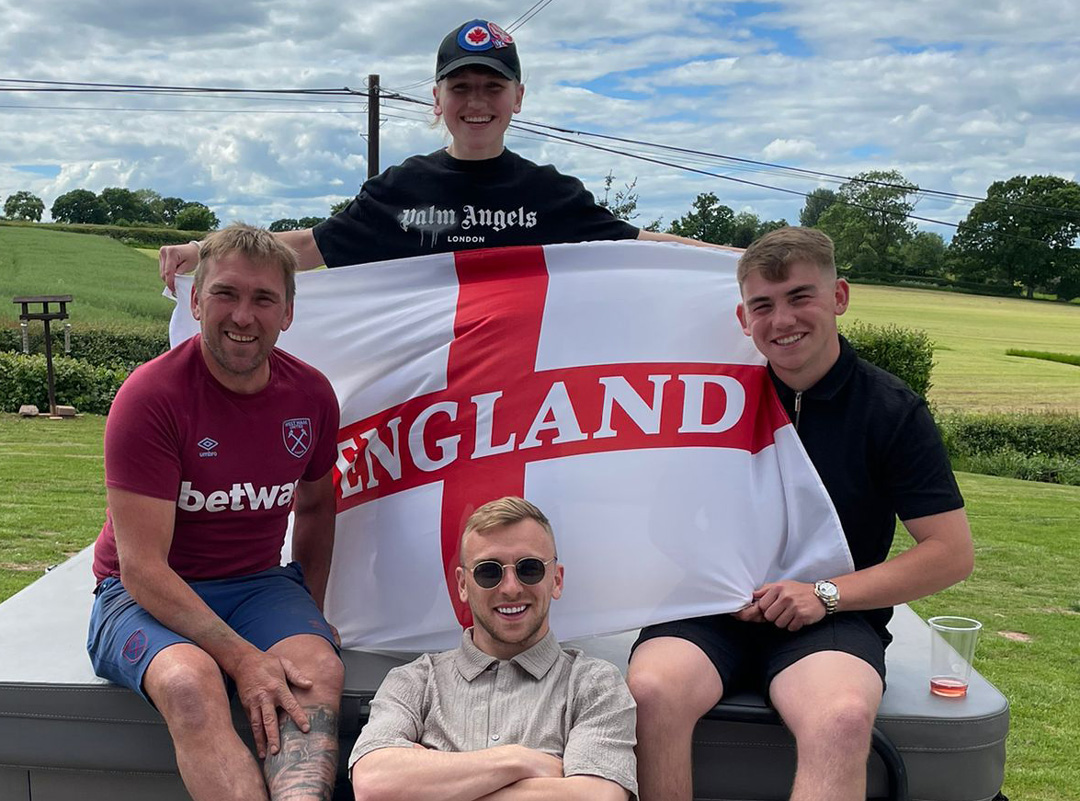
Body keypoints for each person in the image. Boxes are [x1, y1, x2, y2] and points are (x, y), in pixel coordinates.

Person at [627, 227, 975, 801]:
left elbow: (950, 553)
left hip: (834, 616)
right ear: (744, 319)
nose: (782, 319)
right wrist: (720, 574)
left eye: (799, 297)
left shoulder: (891, 410)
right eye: (762, 305)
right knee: (650, 693)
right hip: (715, 604)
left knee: (840, 717)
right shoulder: (711, 401)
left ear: (838, 297)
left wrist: (825, 594)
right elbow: (664, 523)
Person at [160, 18, 715, 292]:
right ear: (436, 99)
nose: (476, 102)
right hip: (424, 402)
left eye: (493, 87)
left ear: (518, 98)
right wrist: (201, 250)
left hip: (522, 397)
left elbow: (642, 248)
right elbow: (308, 248)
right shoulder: (400, 190)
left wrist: (739, 259)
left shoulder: (550, 194)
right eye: (460, 87)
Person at [86, 224, 344, 801]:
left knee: (316, 670)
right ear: (197, 300)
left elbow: (318, 502)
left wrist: (310, 607)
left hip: (256, 586)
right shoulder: (151, 396)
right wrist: (243, 659)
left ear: (288, 313)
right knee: (190, 684)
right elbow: (143, 569)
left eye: (263, 298)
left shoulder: (311, 396)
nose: (243, 316)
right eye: (226, 293)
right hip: (142, 594)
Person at [349, 496, 637, 801]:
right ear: (462, 584)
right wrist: (520, 760)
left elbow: (596, 797)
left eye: (530, 569)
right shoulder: (414, 681)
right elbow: (373, 783)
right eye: (489, 571)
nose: (511, 587)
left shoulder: (595, 685)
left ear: (556, 579)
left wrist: (432, 785)